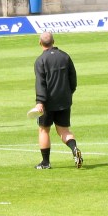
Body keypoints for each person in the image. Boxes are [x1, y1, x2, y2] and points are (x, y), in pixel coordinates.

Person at [32, 31, 82, 170]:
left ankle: (45, 162)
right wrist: (69, 93)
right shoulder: (65, 56)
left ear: (40, 43)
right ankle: (74, 149)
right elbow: (73, 79)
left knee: (44, 130)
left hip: (48, 103)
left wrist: (40, 102)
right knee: (64, 131)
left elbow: (40, 83)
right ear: (53, 41)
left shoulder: (40, 60)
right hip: (64, 100)